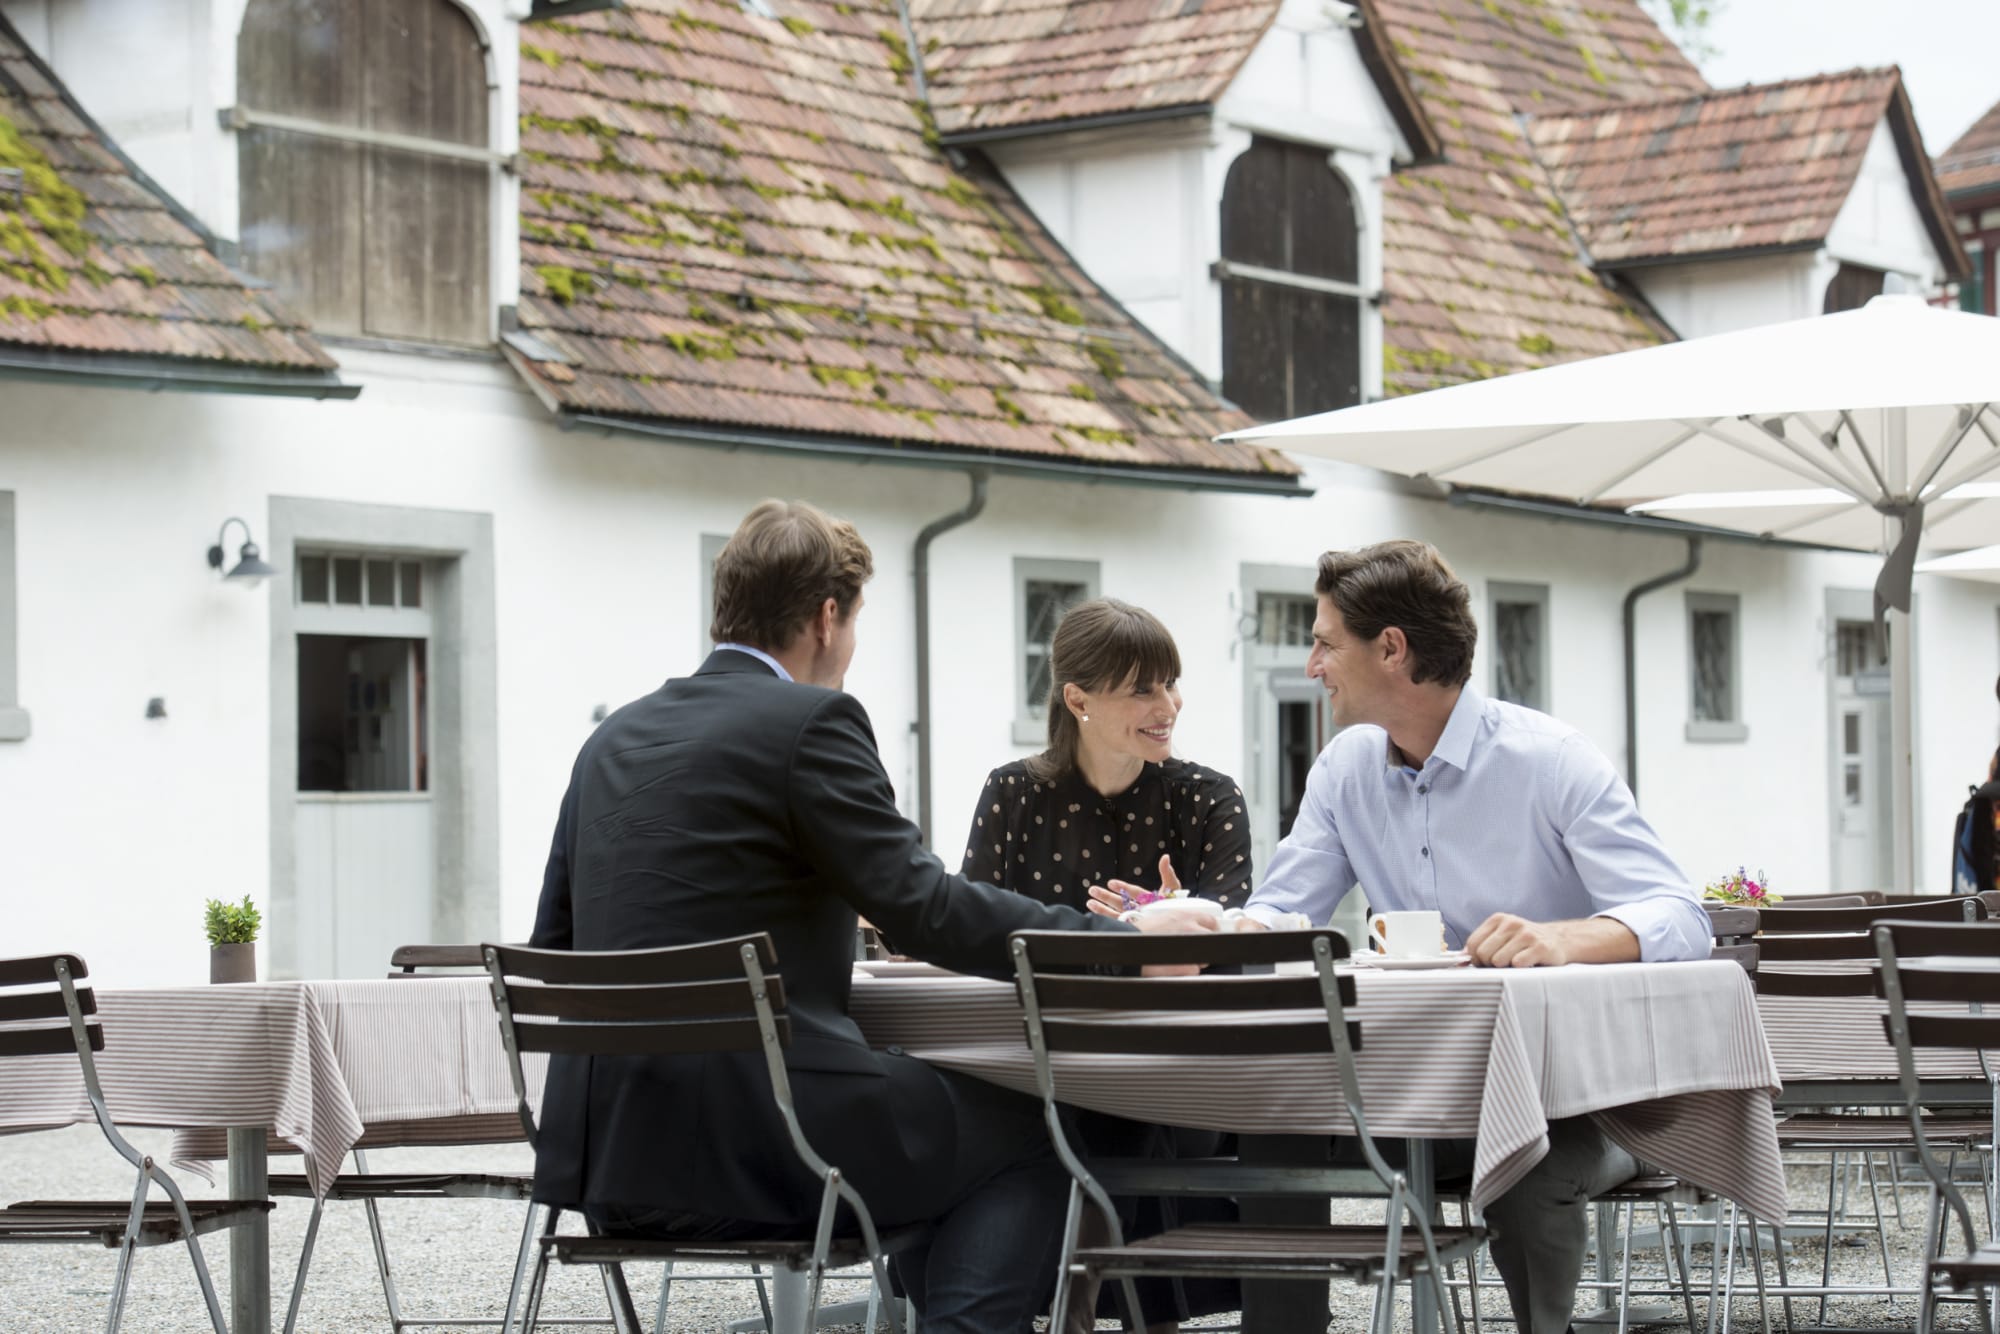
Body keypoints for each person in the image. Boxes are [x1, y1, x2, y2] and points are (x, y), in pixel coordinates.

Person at [529, 500, 1212, 1334]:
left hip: (609, 1161)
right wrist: (1122, 944)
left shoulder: (611, 740)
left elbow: (558, 946)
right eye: (853, 624)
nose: (850, 649)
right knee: (1048, 1120)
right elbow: (924, 906)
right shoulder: (811, 723)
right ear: (826, 617)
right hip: (765, 1147)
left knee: (963, 1124)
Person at [1093, 539, 1710, 1334]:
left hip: (1583, 1101)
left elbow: (1679, 913)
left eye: (1324, 641)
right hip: (1423, 1092)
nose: (1312, 664)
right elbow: (1285, 907)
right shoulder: (1346, 768)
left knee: (1533, 1165)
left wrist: (1565, 939)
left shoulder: (1551, 761)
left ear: (1392, 649)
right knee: (1283, 1120)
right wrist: (1211, 925)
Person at [962, 597, 1248, 1332]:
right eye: (1144, 689)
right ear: (1078, 699)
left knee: (1104, 1114)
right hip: (1039, 1067)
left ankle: (1074, 1306)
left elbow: (1244, 941)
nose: (1169, 705)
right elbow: (974, 939)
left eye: (1172, 683)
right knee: (1045, 1109)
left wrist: (1193, 925)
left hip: (1180, 1077)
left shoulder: (1210, 799)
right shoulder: (1012, 795)